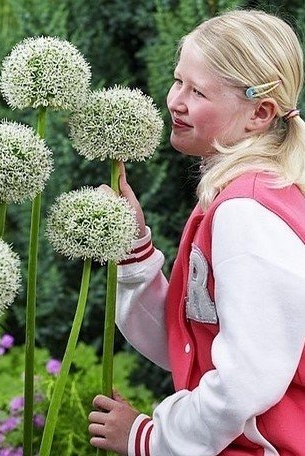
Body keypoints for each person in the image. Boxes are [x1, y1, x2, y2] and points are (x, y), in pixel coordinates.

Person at [88, 9, 305, 456]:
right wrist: (133, 249)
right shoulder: (241, 195)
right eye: (177, 80)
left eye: (198, 91)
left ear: (259, 113)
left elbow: (246, 380)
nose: (175, 101)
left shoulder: (247, 213)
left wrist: (149, 438)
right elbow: (191, 345)